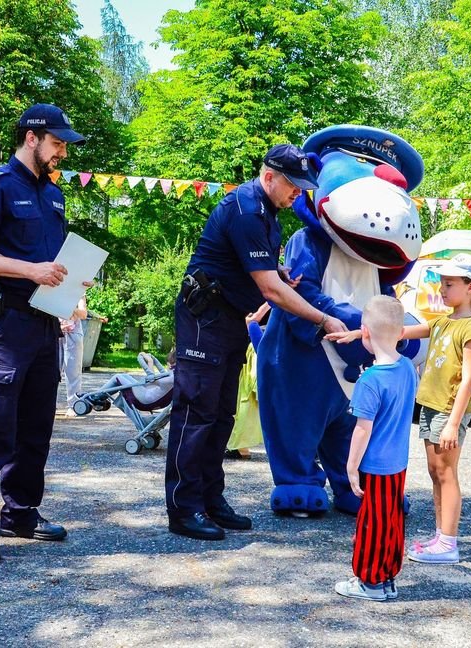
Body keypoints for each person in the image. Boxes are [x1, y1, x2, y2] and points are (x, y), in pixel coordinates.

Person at [166, 143, 348, 541]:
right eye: (293, 186)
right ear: (268, 177)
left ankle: (211, 500)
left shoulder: (269, 213)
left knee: (222, 415)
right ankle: (184, 508)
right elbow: (271, 292)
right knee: (196, 413)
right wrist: (323, 317)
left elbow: (262, 270)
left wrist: (279, 270)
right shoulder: (246, 211)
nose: (299, 193)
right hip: (204, 318)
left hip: (230, 317)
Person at [0, 103, 88, 564]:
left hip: (46, 324)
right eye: (57, 143)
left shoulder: (55, 195)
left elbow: (53, 262)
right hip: (3, 327)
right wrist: (32, 271)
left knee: (35, 429)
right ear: (32, 138)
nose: (62, 152)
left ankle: (21, 513)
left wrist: (72, 286)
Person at [328, 252, 471, 566]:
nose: (443, 290)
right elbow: (396, 332)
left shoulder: (470, 327)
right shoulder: (445, 321)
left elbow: (469, 378)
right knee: (435, 472)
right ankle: (440, 536)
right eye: (442, 284)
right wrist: (357, 334)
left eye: (450, 284)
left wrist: (453, 423)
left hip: (448, 409)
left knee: (446, 473)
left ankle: (448, 541)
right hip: (431, 405)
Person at [332, 296, 418, 602]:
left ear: (364, 332)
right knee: (391, 521)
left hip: (376, 465)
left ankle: (369, 581)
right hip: (399, 463)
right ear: (400, 332)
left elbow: (362, 429)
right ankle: (387, 577)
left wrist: (351, 467)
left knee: (371, 524)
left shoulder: (369, 380)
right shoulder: (408, 368)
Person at [225, 302, 271, 460]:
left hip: (254, 343)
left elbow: (253, 319)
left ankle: (238, 446)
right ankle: (238, 446)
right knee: (244, 403)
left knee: (244, 401)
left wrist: (255, 317)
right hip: (254, 342)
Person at [60, 296, 88, 416]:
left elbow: (83, 314)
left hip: (73, 333)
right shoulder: (51, 285)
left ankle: (73, 405)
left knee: (73, 371)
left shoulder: (78, 292)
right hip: (54, 331)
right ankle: (47, 404)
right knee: (50, 371)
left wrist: (71, 309)